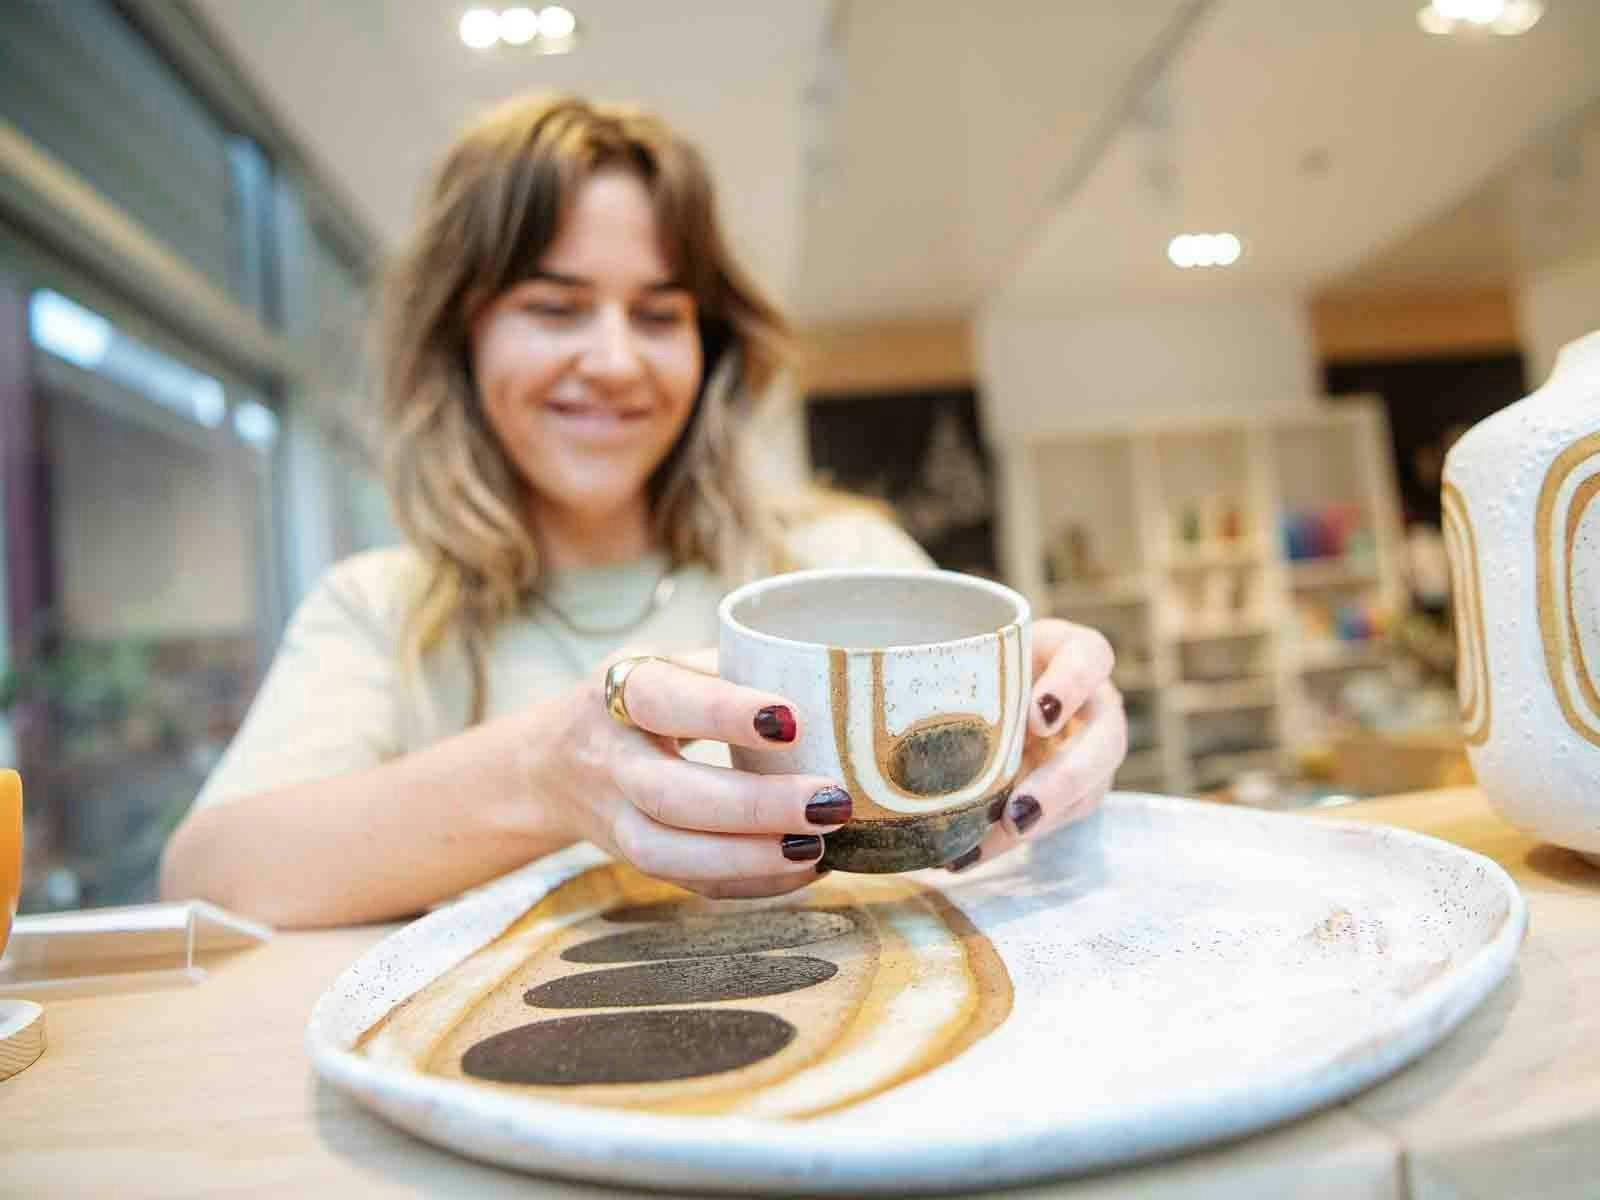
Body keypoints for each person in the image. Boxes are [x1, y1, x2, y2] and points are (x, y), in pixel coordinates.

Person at [160, 94, 1127, 928]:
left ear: (710, 349)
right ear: (462, 337)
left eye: (660, 315)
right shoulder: (382, 611)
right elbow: (207, 882)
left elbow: (988, 830)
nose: (616, 362)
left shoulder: (840, 554)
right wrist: (542, 774)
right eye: (555, 307)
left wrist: (1053, 736)